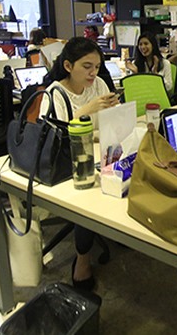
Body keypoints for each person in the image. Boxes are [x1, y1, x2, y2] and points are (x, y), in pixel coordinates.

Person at [40, 37, 120, 290]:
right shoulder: (55, 93)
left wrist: (116, 112)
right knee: (88, 198)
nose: (93, 73)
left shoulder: (99, 84)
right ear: (68, 66)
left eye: (96, 66)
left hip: (97, 152)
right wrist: (87, 109)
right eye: (86, 66)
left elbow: (111, 121)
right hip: (67, 164)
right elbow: (55, 136)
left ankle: (121, 230)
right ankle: (82, 261)